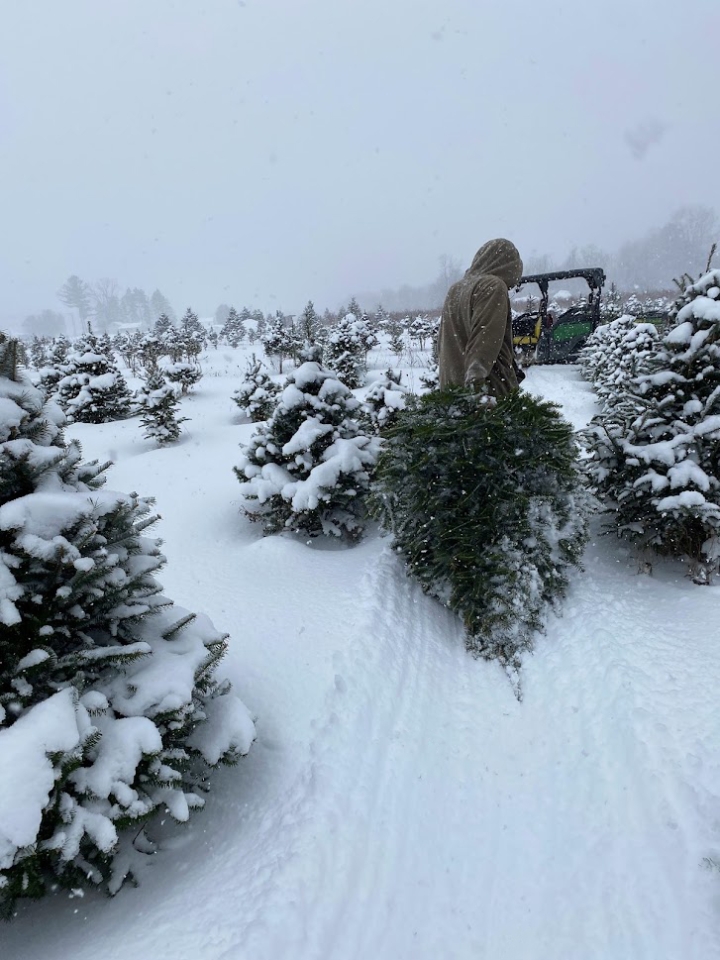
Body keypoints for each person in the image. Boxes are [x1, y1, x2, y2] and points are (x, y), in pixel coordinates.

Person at [438, 238, 524, 398]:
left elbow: (443, 343)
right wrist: (475, 384)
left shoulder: (456, 289)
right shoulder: (493, 286)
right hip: (488, 395)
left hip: (452, 392)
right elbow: (485, 338)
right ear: (506, 265)